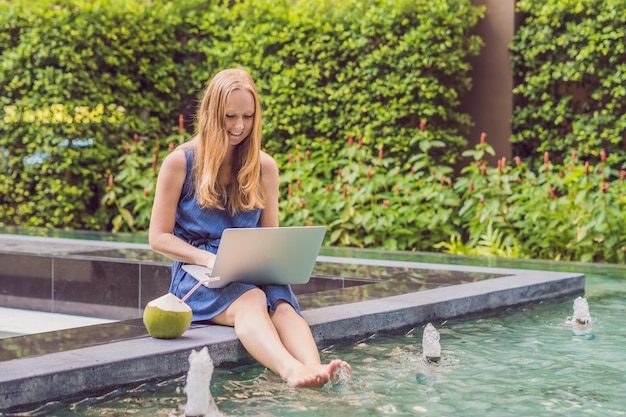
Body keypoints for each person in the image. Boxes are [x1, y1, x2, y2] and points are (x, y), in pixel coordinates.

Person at [149, 68, 349, 388]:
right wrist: (207, 259)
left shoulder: (264, 167)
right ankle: (291, 371)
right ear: (211, 113)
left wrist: (279, 264)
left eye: (248, 116)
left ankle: (315, 369)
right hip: (198, 274)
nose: (239, 126)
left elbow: (270, 236)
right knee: (252, 300)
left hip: (251, 267)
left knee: (282, 305)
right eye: (230, 116)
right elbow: (157, 237)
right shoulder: (180, 163)